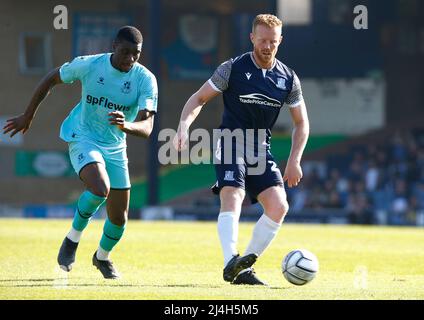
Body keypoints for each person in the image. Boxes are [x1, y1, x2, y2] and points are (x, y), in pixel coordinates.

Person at [3, 26, 158, 279]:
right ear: (114, 45)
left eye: (136, 54)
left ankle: (102, 257)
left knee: (119, 220)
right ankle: (71, 240)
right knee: (100, 188)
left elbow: (147, 126)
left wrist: (125, 125)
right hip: (83, 136)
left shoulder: (145, 79)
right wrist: (27, 115)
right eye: (125, 52)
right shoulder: (90, 65)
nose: (130, 58)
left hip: (116, 145)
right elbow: (51, 78)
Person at [174, 14, 309, 285]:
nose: (267, 46)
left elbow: (301, 122)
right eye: (262, 40)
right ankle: (229, 260)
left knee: (279, 206)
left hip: (261, 148)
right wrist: (183, 127)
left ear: (280, 40)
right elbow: (199, 98)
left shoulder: (288, 78)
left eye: (273, 41)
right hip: (230, 141)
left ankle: (243, 267)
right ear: (252, 38)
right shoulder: (232, 68)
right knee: (233, 195)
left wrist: (294, 160)